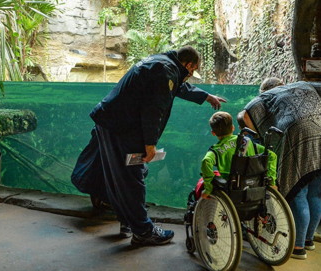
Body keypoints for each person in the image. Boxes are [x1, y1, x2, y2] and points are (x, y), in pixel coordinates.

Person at [72, 46, 226, 246]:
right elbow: (153, 110)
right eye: (191, 71)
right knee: (133, 174)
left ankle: (121, 214)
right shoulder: (166, 71)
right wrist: (150, 145)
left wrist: (205, 96)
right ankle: (143, 231)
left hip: (109, 121)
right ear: (187, 65)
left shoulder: (162, 63)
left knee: (116, 171)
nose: (189, 76)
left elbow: (177, 86)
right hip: (122, 127)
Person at [241, 77, 321, 260]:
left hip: (301, 133)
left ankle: (298, 247)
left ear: (264, 90)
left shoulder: (267, 96)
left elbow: (245, 116)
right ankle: (309, 240)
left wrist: (258, 135)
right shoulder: (300, 85)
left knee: (298, 192)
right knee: (314, 193)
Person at [198, 111, 277, 200]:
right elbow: (272, 155)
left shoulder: (215, 150)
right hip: (255, 187)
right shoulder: (247, 142)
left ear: (213, 133)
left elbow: (206, 161)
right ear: (232, 128)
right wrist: (271, 181)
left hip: (231, 191)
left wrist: (208, 189)